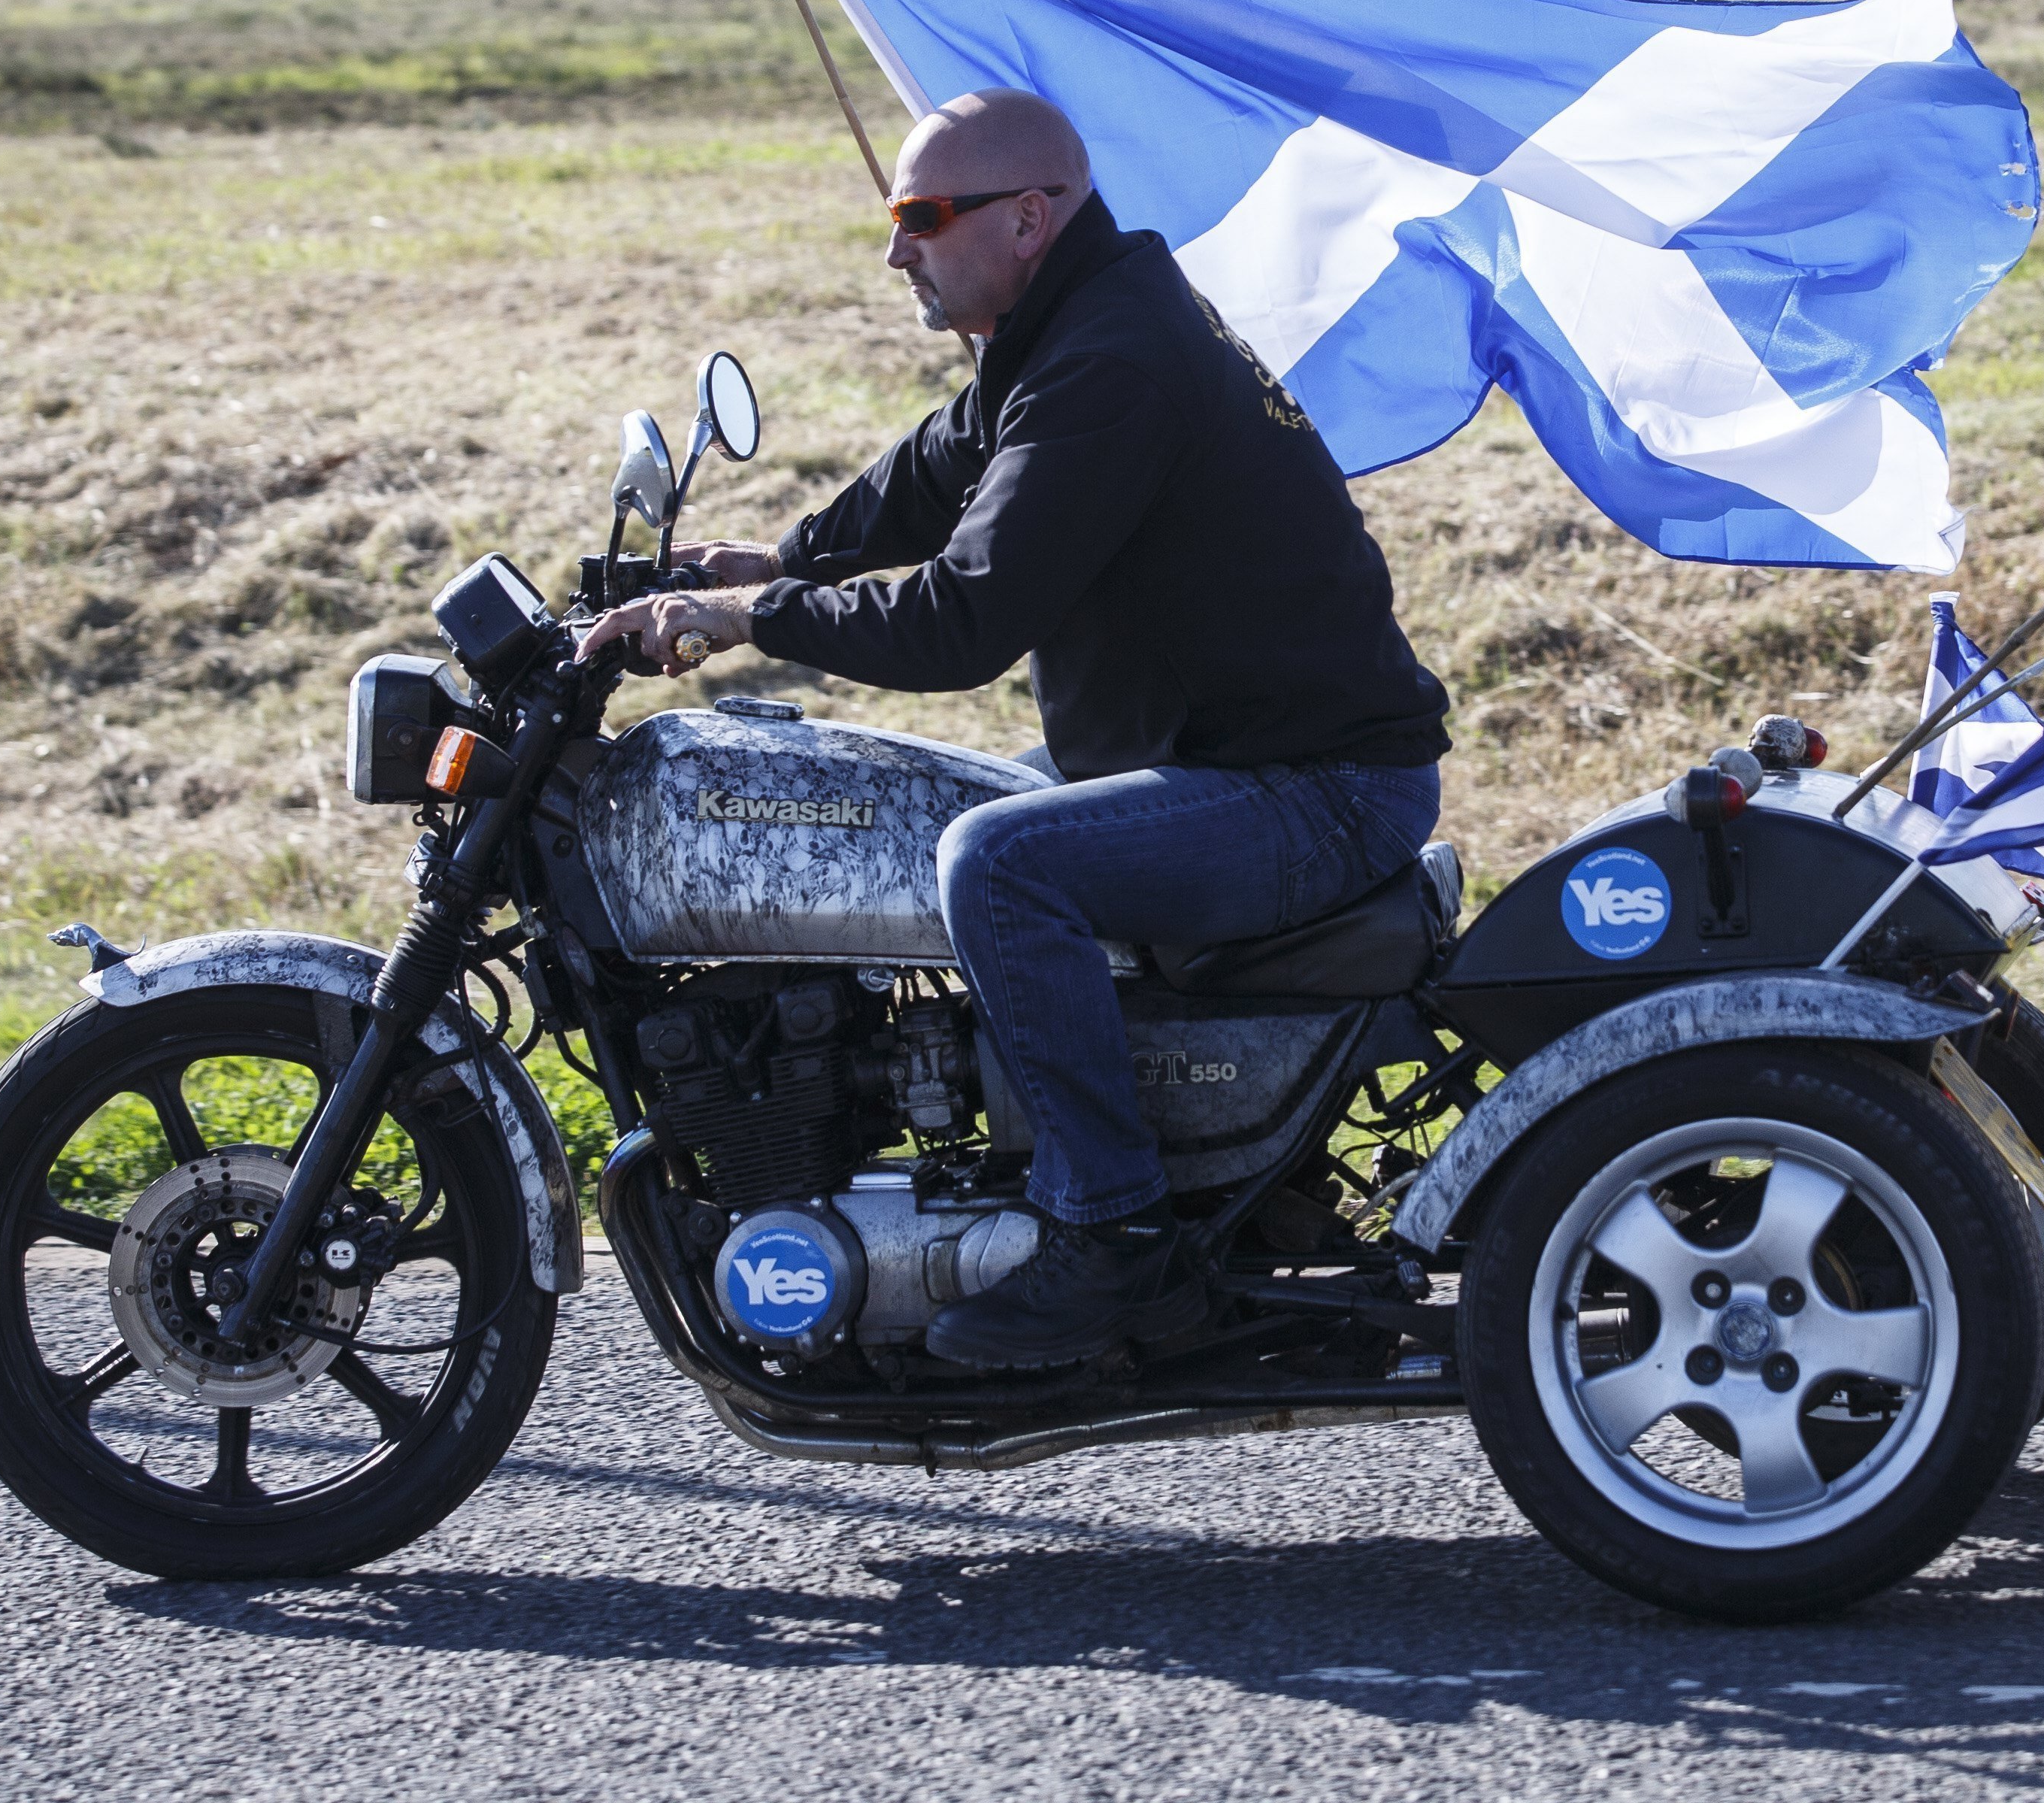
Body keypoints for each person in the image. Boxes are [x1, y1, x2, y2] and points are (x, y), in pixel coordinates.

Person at [577, 87, 1450, 1369]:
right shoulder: (1073, 326)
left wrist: (754, 615)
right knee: (933, 803)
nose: (896, 251)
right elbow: (936, 473)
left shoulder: (1108, 360)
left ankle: (1115, 1238)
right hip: (1230, 756)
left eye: (923, 217)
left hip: (1314, 791)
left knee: (998, 860)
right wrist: (773, 558)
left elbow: (963, 620)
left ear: (1030, 217)